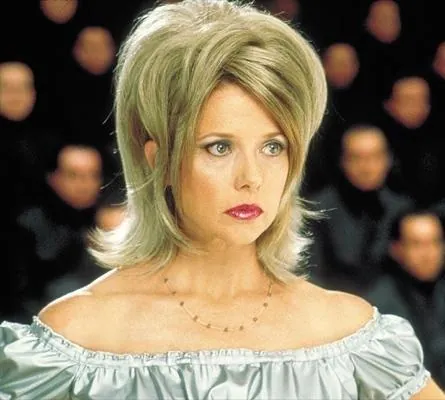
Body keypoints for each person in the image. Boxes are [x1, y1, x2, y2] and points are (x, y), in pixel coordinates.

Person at [1, 0, 444, 398]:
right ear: (159, 160)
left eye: (273, 146)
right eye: (219, 147)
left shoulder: (351, 340)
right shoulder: (74, 345)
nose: (251, 178)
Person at [306, 124, 412, 296]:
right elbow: (310, 276)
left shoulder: (402, 210)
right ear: (342, 161)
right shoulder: (317, 210)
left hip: (391, 305)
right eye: (357, 158)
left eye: (375, 157)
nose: (367, 167)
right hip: (335, 302)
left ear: (389, 160)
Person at [364, 209, 445, 388]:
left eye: (435, 242)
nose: (428, 254)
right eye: (417, 244)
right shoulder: (378, 306)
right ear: (396, 249)